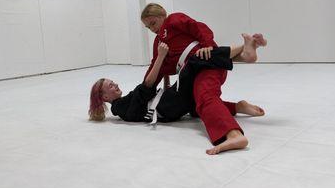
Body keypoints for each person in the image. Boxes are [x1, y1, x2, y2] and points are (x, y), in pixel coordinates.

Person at [141, 3, 267, 155]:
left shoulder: (173, 20)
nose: (153, 29)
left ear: (163, 16)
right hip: (196, 72)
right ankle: (238, 106)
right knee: (194, 106)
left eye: (153, 23)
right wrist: (145, 88)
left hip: (207, 63)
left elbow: (199, 27)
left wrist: (207, 44)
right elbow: (158, 67)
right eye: (148, 28)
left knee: (204, 95)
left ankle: (234, 135)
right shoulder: (159, 44)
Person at [89, 36, 265, 126]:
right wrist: (161, 57)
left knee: (198, 108)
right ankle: (244, 51)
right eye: (110, 86)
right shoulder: (117, 107)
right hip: (168, 106)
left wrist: (165, 79)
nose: (116, 85)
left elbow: (148, 99)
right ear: (104, 97)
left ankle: (238, 106)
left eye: (113, 82)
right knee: (196, 60)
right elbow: (146, 90)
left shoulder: (122, 104)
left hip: (169, 105)